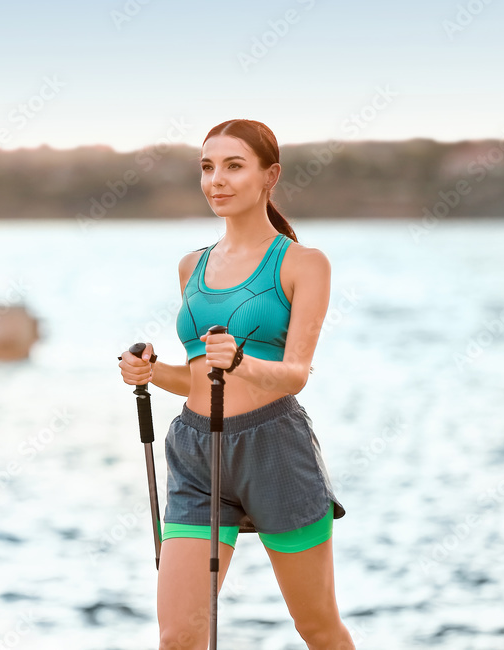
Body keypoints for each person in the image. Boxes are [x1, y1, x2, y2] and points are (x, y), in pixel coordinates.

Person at [118, 119, 355, 650]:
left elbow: (296, 373)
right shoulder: (192, 266)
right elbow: (202, 378)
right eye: (207, 167)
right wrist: (150, 372)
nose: (215, 181)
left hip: (275, 447)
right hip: (194, 449)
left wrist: (243, 361)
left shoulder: (303, 263)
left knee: (316, 628)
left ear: (270, 176)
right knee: (178, 635)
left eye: (233, 166)